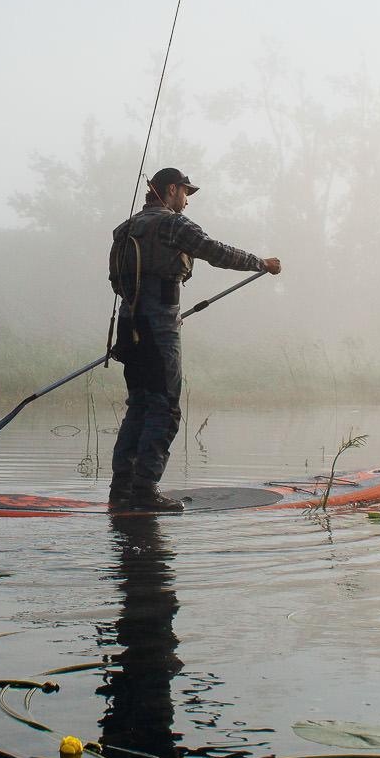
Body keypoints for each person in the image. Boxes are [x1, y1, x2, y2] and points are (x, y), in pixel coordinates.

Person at [106, 168, 281, 512]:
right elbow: (216, 252)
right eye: (185, 192)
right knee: (163, 408)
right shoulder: (173, 224)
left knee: (139, 406)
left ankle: (121, 490)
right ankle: (144, 491)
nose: (186, 200)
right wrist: (260, 263)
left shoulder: (124, 230)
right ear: (171, 190)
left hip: (129, 326)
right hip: (159, 326)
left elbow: (116, 282)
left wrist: (141, 314)